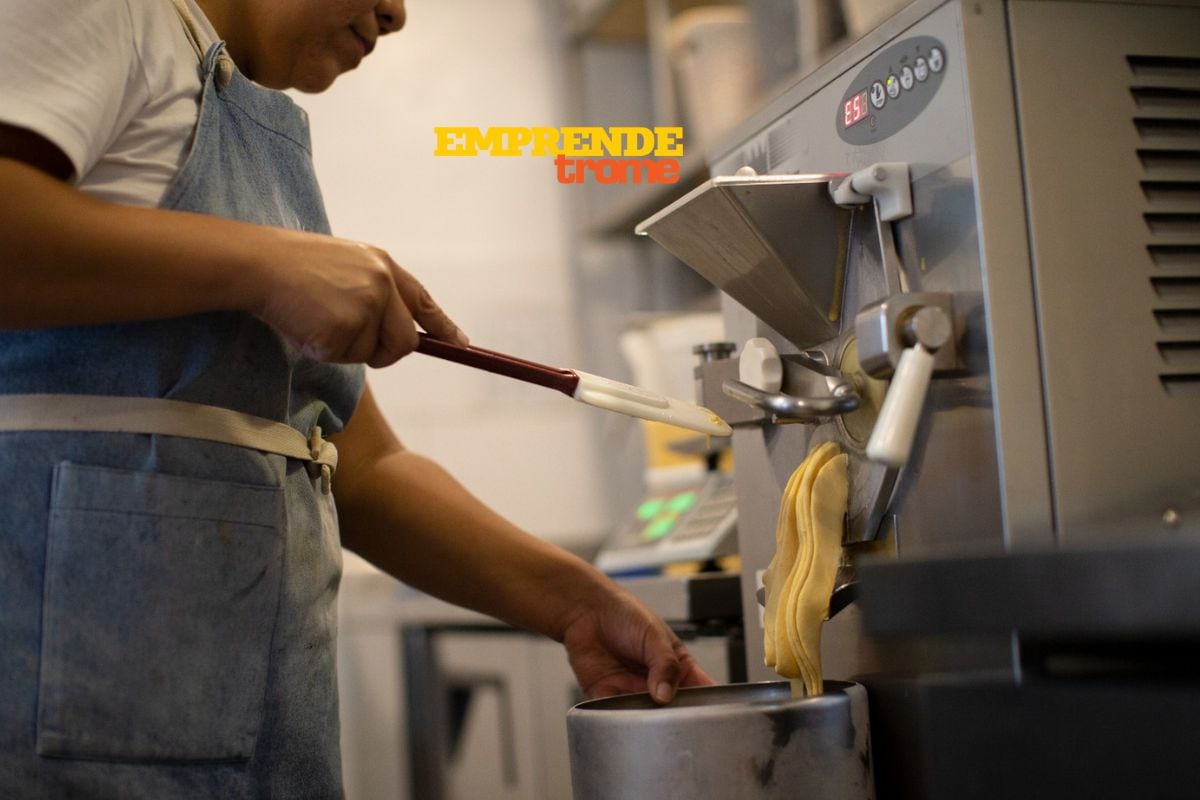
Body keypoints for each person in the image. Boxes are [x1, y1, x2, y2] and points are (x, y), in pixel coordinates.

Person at [0, 0, 713, 796]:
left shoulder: (246, 122)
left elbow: (364, 468)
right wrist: (266, 266)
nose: (396, 13)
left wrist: (580, 604)